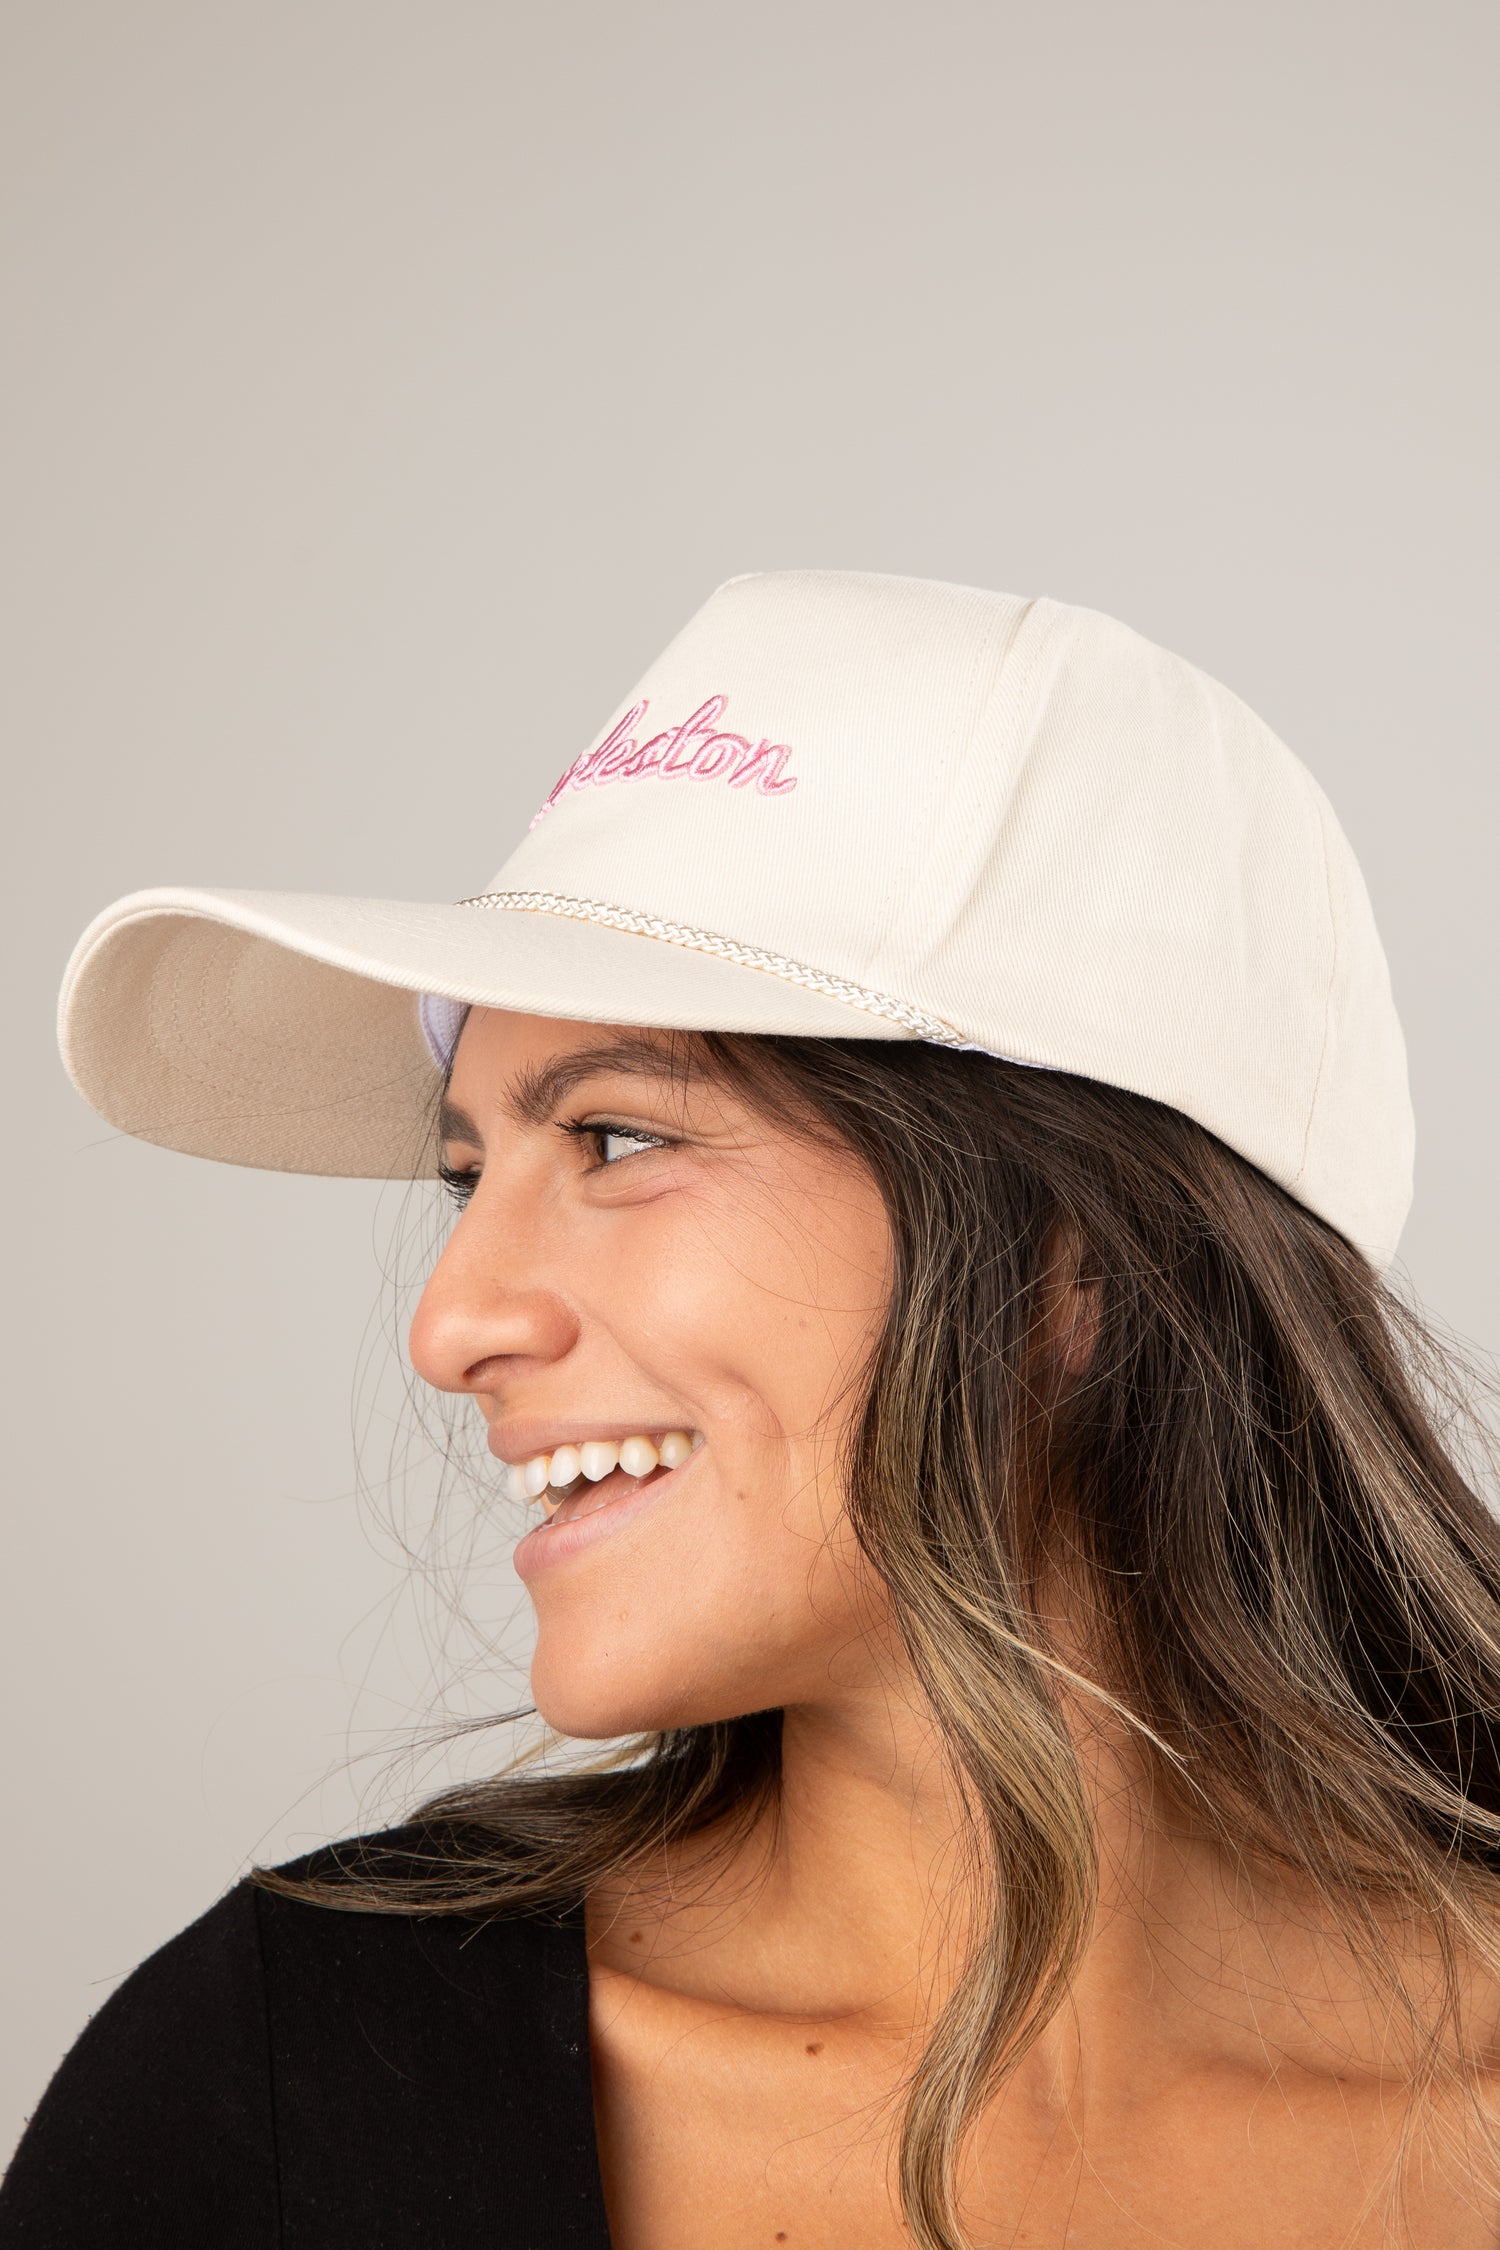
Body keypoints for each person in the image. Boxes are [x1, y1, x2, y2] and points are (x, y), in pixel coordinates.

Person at [6, 569, 1499, 2248]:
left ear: (1081, 1267)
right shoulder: (283, 2095)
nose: (452, 1323)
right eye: (469, 1172)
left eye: (618, 1138)